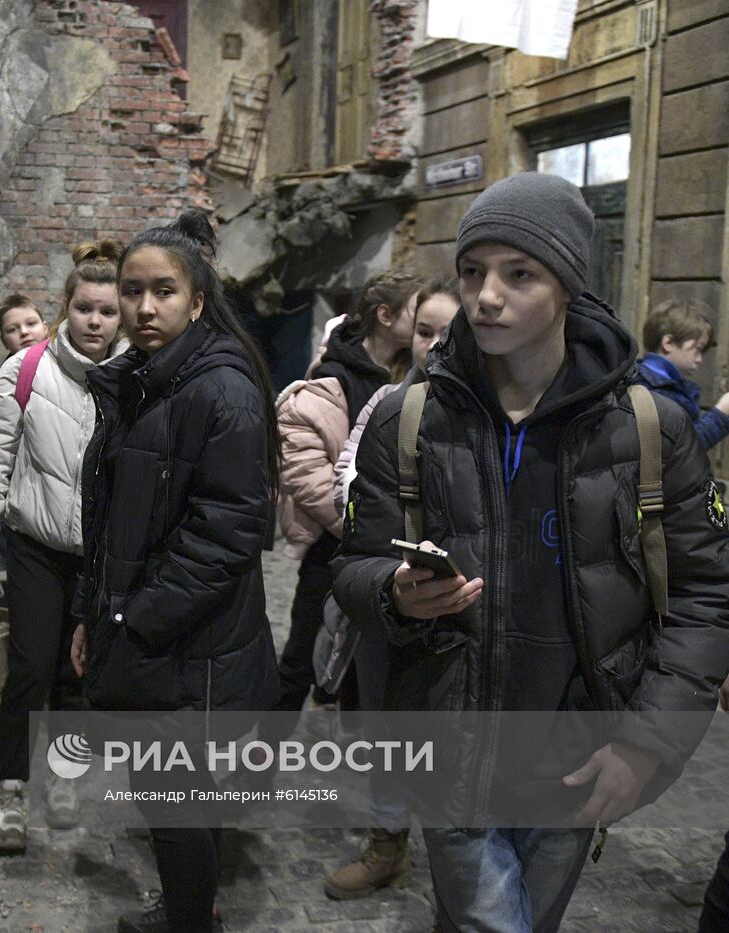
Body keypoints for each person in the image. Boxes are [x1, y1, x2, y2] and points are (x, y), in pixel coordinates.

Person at [333, 172, 729, 932]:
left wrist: (647, 742)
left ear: (569, 287)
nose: (486, 296)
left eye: (520, 274)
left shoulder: (648, 430)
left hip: (578, 758)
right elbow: (351, 566)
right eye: (474, 271)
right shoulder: (409, 420)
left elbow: (707, 595)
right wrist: (393, 591)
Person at [70, 210, 281, 933]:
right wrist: (88, 612)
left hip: (194, 650)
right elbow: (107, 523)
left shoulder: (218, 390)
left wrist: (132, 619)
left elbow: (228, 533)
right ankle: (191, 912)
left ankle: (192, 922)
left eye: (163, 291)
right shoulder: (141, 383)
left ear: (196, 300)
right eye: (132, 290)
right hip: (151, 634)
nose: (143, 307)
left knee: (178, 799)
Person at [0, 241, 127, 853]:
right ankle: (9, 785)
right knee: (30, 666)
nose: (95, 322)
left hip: (99, 556)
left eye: (107, 312)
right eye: (84, 308)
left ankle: (62, 773)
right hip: (34, 545)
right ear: (66, 308)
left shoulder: (137, 377)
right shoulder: (27, 369)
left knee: (76, 672)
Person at [323, 278, 460, 900]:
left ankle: (460, 862)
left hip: (466, 605)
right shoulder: (387, 403)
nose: (433, 345)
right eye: (425, 331)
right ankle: (387, 845)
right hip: (395, 593)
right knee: (385, 730)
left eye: (446, 333)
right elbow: (346, 480)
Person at [274, 271, 420, 721]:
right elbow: (307, 475)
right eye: (419, 317)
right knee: (302, 652)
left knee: (377, 655)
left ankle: (351, 730)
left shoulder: (405, 378)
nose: (427, 334)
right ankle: (258, 763)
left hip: (388, 548)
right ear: (385, 316)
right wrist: (363, 528)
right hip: (335, 545)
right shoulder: (333, 380)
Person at [634, 298, 729, 450]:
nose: (699, 359)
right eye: (697, 349)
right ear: (669, 343)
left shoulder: (656, 382)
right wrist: (721, 414)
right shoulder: (649, 391)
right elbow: (680, 452)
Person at [0, 295, 50, 440]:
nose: (24, 332)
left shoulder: (70, 375)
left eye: (31, 323)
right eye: (12, 329)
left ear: (45, 328)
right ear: (4, 341)